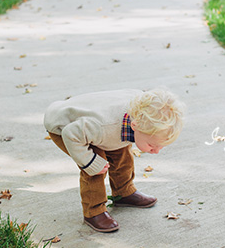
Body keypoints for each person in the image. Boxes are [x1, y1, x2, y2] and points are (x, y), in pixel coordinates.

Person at [43, 88, 185, 233]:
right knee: (96, 166)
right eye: (152, 145)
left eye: (161, 146)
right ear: (135, 126)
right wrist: (89, 161)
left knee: (123, 156)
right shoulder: (102, 127)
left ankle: (124, 193)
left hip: (98, 127)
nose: (156, 151)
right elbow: (70, 134)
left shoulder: (141, 116)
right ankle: (94, 211)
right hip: (66, 127)